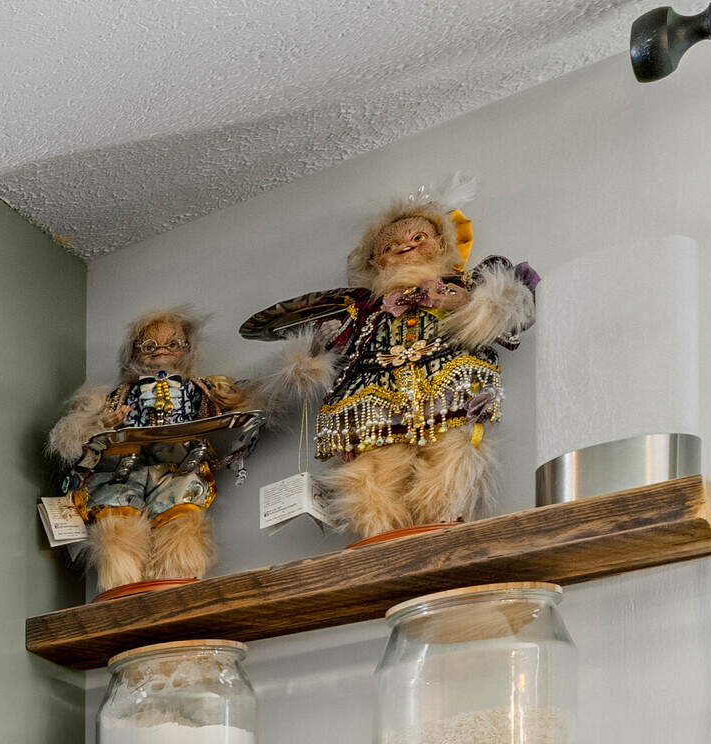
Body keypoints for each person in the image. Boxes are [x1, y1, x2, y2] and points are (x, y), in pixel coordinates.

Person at [244, 186, 537, 539]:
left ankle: (445, 522)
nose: (404, 246)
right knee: (372, 477)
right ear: (374, 264)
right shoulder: (364, 313)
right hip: (378, 408)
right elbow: (345, 367)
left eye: (419, 237)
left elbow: (509, 320)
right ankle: (381, 539)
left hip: (449, 394)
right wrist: (336, 418)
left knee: (452, 459)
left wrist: (464, 304)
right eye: (388, 246)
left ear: (442, 244)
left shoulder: (464, 287)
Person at [48, 309, 259, 591]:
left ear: (187, 348)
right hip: (124, 469)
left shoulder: (200, 388)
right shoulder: (117, 396)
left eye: (173, 344)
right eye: (149, 346)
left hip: (178, 467)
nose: (161, 351)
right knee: (116, 524)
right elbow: (73, 436)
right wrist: (100, 422)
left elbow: (243, 407)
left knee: (181, 522)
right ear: (134, 354)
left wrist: (233, 399)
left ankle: (176, 585)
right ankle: (121, 587)